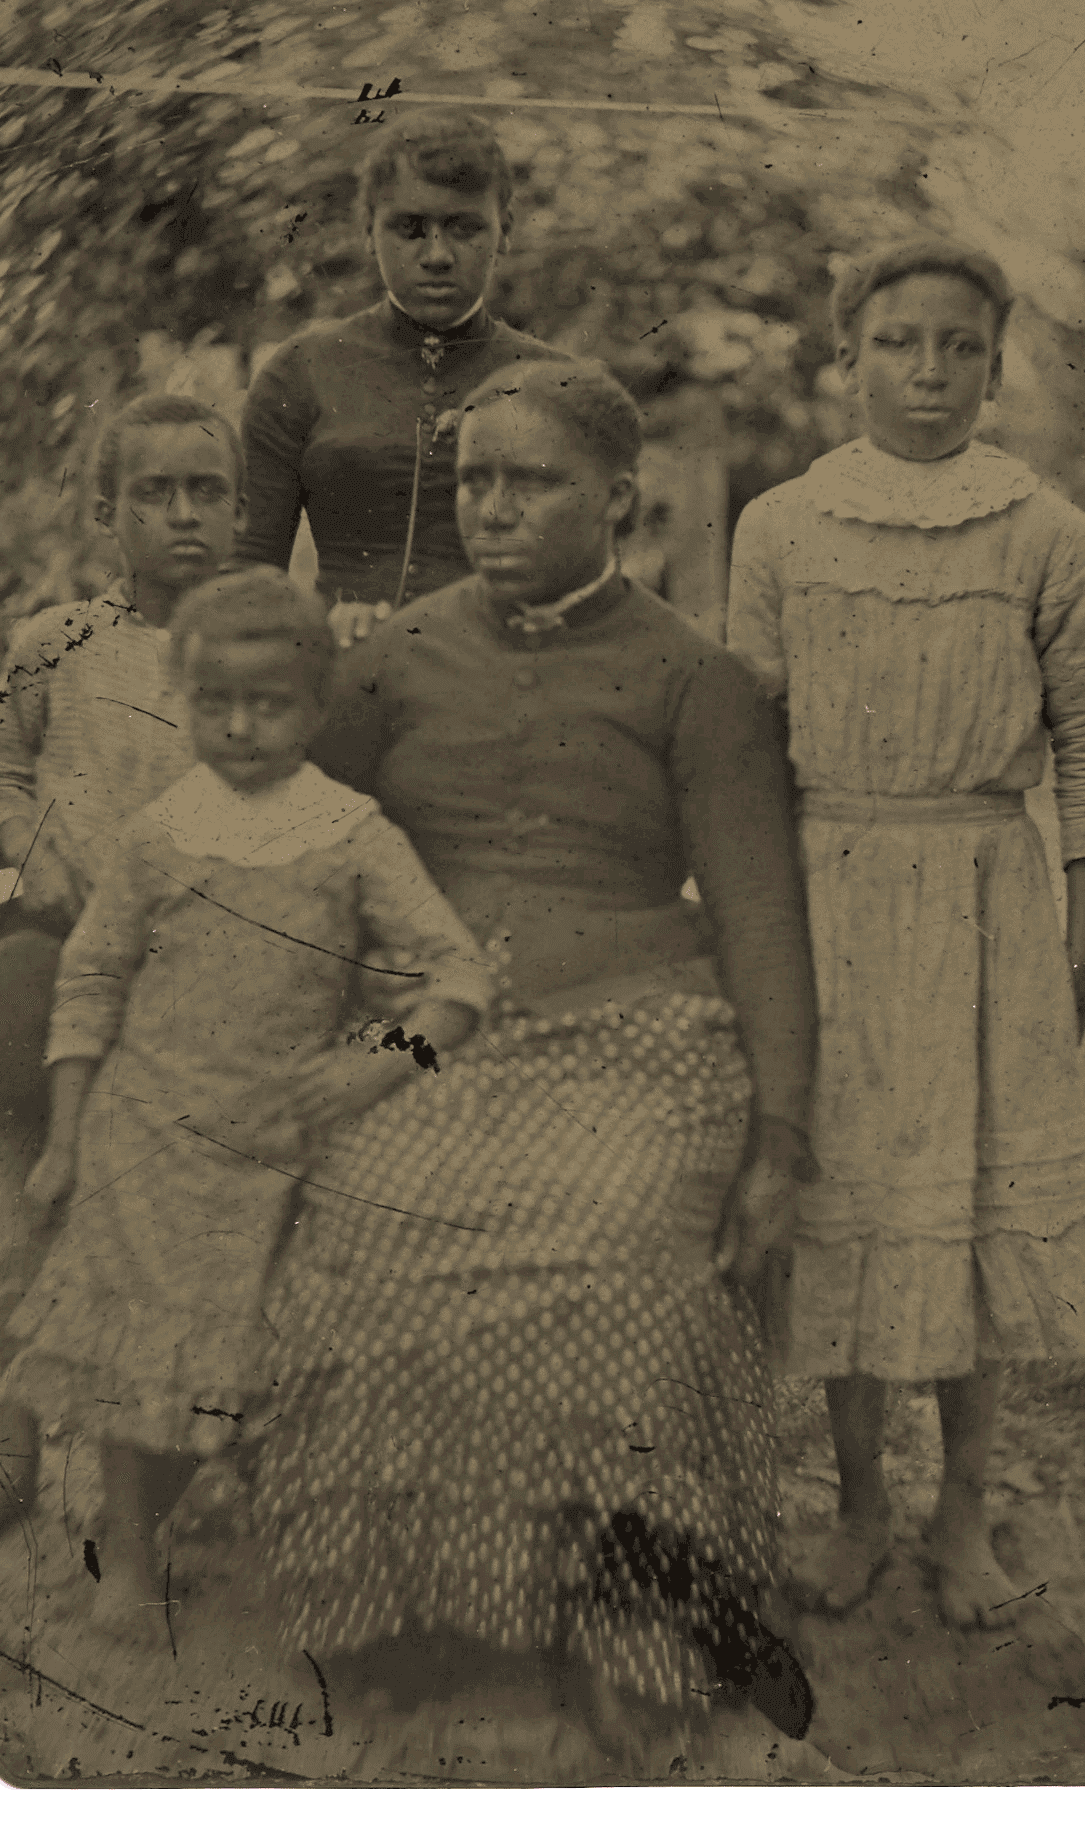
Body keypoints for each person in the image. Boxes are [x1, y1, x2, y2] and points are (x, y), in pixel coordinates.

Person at [253, 357, 821, 1771]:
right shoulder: (386, 659)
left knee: (621, 1241)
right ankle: (405, 1612)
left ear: (619, 499)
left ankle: (630, 1618)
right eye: (476, 482)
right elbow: (296, 858)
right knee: (363, 1222)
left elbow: (758, 917)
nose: (494, 508)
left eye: (532, 480)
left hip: (640, 1034)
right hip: (432, 1038)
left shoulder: (698, 678)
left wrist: (782, 1137)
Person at [726, 241, 1085, 1630]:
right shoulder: (779, 525)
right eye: (899, 341)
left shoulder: (1044, 530)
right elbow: (749, 752)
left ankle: (964, 1514)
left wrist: (1076, 942)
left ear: (996, 364)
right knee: (844, 1211)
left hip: (985, 904)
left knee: (965, 1217)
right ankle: (856, 1510)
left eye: (960, 345)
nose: (929, 370)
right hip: (828, 895)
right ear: (847, 357)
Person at [0, 568, 492, 1638]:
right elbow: (90, 977)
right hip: (149, 1131)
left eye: (267, 704)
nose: (239, 726)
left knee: (271, 1348)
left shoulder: (352, 832)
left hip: (280, 1139)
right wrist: (70, 1130)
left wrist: (374, 1062)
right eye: (215, 702)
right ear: (183, 700)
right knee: (131, 1355)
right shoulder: (158, 830)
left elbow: (456, 977)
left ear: (313, 709)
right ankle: (127, 1553)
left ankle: (296, 1535)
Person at [0, 392, 245, 1552]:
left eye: (205, 490)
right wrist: (24, 839)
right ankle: (11, 1460)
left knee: (191, 1231)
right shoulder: (55, 640)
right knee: (34, 1216)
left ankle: (195, 1463)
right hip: (58, 959)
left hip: (204, 979)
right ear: (106, 510)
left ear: (239, 506)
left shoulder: (261, 640)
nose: (181, 515)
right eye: (153, 492)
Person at [237, 109, 567, 634]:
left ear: (505, 231)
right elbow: (249, 576)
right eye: (409, 229)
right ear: (369, 232)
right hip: (343, 674)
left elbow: (586, 578)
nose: (437, 255)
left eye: (464, 228)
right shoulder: (300, 372)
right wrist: (317, 627)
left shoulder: (555, 384)